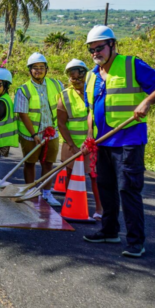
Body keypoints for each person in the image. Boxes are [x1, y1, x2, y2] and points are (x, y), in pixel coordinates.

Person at [82, 26, 155, 258]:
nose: (95, 53)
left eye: (99, 47)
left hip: (128, 140)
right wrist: (89, 136)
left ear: (112, 45)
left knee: (128, 190)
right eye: (91, 49)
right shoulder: (91, 76)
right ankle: (109, 231)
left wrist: (147, 102)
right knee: (106, 189)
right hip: (102, 143)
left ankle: (135, 242)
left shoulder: (132, 64)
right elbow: (91, 110)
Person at [14, 52, 64, 206]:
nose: (38, 70)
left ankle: (46, 193)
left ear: (46, 69)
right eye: (35, 68)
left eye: (41, 67)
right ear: (30, 70)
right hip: (31, 134)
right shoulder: (23, 90)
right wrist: (34, 134)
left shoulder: (57, 84)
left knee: (48, 163)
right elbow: (23, 114)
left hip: (51, 132)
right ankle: (31, 192)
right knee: (30, 163)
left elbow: (63, 106)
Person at [57, 59, 102, 220]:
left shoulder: (95, 93)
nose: (76, 81)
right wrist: (72, 145)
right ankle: (70, 206)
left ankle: (99, 209)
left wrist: (91, 141)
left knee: (95, 177)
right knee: (71, 175)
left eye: (80, 77)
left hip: (93, 144)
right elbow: (61, 124)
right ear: (69, 78)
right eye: (73, 77)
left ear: (86, 75)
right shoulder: (65, 96)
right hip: (72, 145)